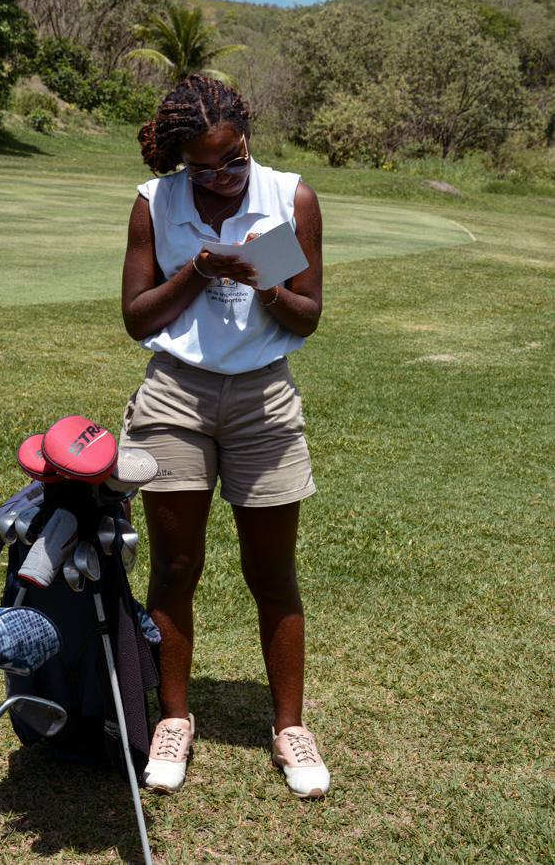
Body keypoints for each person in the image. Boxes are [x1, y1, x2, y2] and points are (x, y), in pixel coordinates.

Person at [121, 74, 329, 799]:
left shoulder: (290, 197)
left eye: (231, 161)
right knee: (175, 568)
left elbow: (307, 315)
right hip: (174, 396)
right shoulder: (155, 202)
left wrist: (264, 281)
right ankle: (173, 719)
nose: (219, 179)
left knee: (271, 572)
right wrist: (197, 270)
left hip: (262, 398)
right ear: (179, 161)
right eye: (201, 169)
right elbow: (138, 317)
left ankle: (290, 727)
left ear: (247, 139)